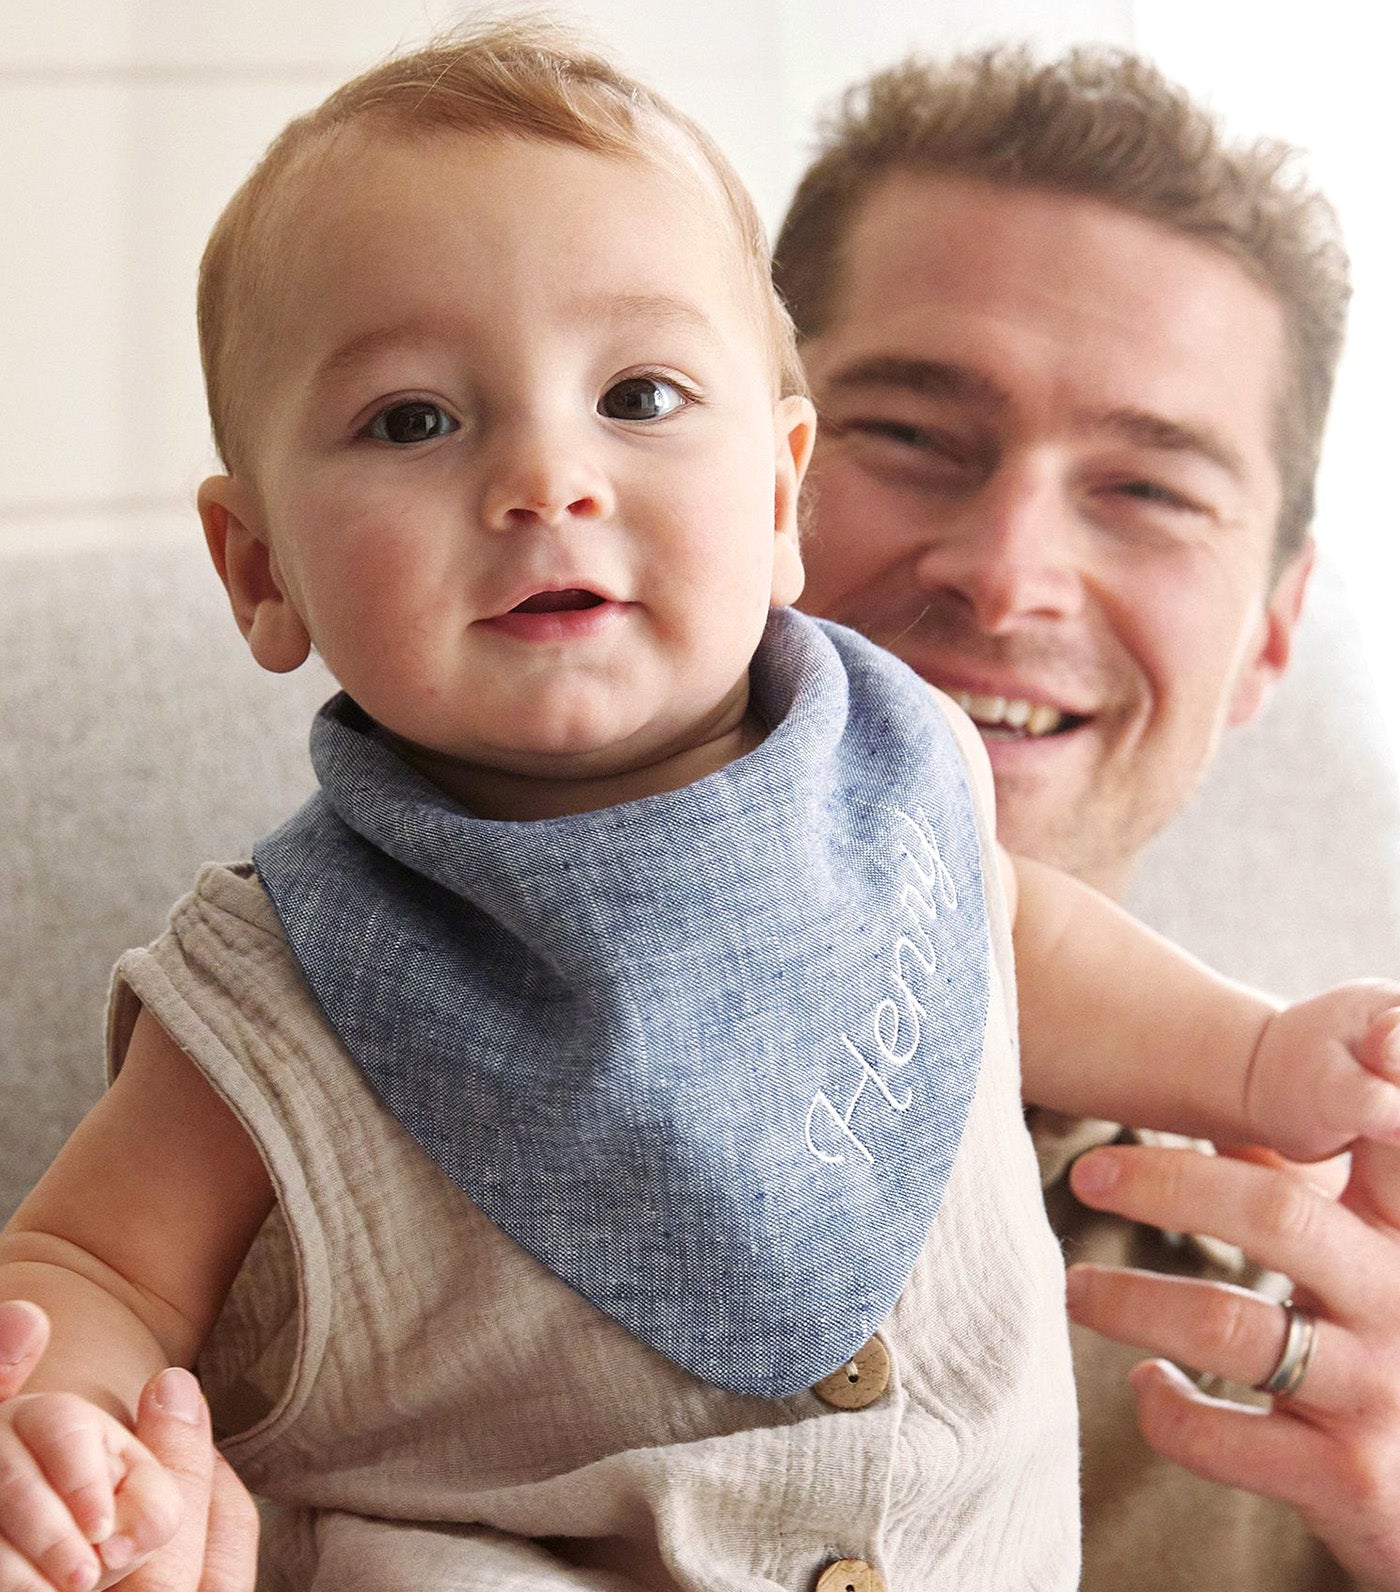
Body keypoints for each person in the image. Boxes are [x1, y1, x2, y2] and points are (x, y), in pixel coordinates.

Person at [772, 44, 1400, 1592]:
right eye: (911, 434)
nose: (1007, 573)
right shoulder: (323, 1047)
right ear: (735, 468)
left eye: (1149, 490)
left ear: (1269, 629)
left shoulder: (1356, 1287)